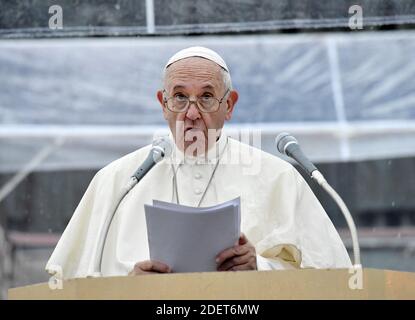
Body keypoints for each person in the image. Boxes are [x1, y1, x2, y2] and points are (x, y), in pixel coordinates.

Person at [46, 46, 351, 279]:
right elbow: (75, 287)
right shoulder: (117, 182)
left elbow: (331, 280)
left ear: (228, 105)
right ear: (163, 104)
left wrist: (259, 268)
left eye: (206, 97)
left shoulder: (278, 178)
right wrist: (130, 289)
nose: (191, 113)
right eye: (179, 97)